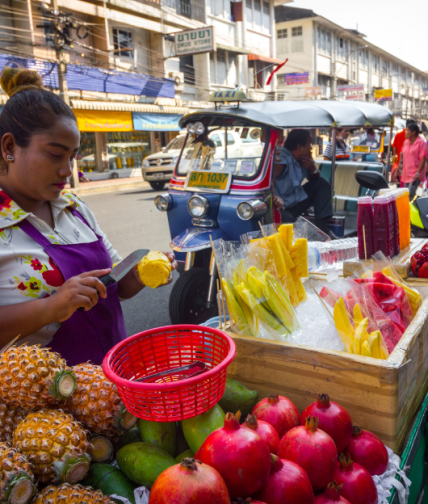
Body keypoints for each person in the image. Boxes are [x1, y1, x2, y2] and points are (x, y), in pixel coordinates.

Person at [0, 66, 176, 365]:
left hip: (112, 382)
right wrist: (53, 307)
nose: (68, 170)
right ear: (9, 147)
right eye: (56, 154)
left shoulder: (74, 208)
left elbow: (113, 287)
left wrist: (136, 275)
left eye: (73, 156)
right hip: (45, 405)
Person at [273, 129, 334, 237]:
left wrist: (312, 169)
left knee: (322, 183)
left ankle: (322, 227)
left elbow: (314, 179)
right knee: (292, 229)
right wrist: (275, 197)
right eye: (309, 144)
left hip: (296, 201)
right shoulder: (282, 158)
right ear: (299, 147)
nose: (311, 148)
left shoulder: (304, 159)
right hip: (281, 207)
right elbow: (269, 179)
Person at [399, 122, 428, 200]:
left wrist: (418, 173)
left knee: (409, 196)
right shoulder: (406, 142)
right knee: (406, 195)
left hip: (415, 174)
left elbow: (423, 159)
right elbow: (402, 157)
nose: (406, 132)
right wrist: (398, 172)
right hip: (406, 174)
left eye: (407, 130)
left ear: (413, 132)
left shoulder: (421, 143)